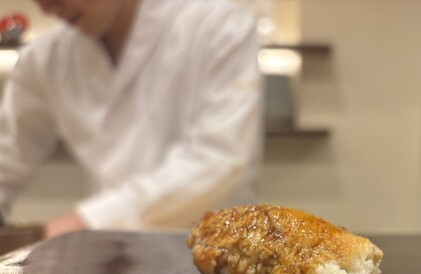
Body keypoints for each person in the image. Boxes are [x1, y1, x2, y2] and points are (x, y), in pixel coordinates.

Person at [0, 0, 263, 237]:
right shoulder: (46, 57)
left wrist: (86, 221)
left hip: (216, 249)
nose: (46, 6)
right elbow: (7, 155)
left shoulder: (218, 25)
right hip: (105, 255)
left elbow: (221, 160)